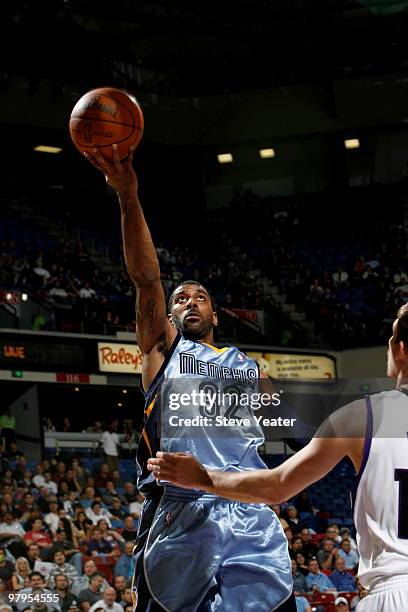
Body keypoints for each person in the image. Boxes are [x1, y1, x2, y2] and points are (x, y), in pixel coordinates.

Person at [85, 145, 294, 611]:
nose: (189, 302)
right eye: (180, 299)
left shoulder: (249, 367)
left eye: (199, 297)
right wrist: (128, 198)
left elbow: (280, 426)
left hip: (248, 511)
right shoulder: (163, 351)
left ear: (215, 312)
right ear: (171, 315)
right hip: (181, 508)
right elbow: (145, 279)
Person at [148, 305, 408, 611]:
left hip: (395, 591)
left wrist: (201, 477)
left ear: (399, 348)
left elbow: (278, 486)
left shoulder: (362, 415)